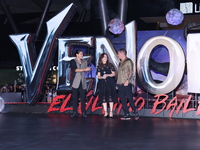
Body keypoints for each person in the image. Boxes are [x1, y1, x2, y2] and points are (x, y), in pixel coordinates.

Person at [117, 48, 139, 120]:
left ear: (122, 54)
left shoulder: (128, 61)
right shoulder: (120, 62)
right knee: (122, 99)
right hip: (120, 83)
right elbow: (119, 73)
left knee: (129, 98)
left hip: (126, 83)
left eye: (118, 53)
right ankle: (126, 113)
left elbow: (131, 71)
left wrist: (127, 80)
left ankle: (135, 111)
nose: (118, 55)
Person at [70, 49, 91, 117]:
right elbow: (75, 69)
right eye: (81, 54)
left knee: (83, 98)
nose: (82, 55)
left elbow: (85, 71)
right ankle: (74, 112)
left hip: (82, 81)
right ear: (77, 54)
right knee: (75, 98)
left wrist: (87, 70)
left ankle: (84, 112)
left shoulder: (84, 62)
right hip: (75, 81)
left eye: (82, 54)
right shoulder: (73, 61)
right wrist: (84, 69)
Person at [97, 53, 117, 119]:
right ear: (101, 58)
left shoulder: (110, 65)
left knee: (110, 96)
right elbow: (98, 76)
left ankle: (111, 112)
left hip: (110, 82)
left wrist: (107, 75)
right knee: (104, 97)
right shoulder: (99, 66)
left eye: (106, 57)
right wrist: (102, 77)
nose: (105, 58)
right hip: (103, 83)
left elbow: (114, 74)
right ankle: (105, 112)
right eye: (104, 57)